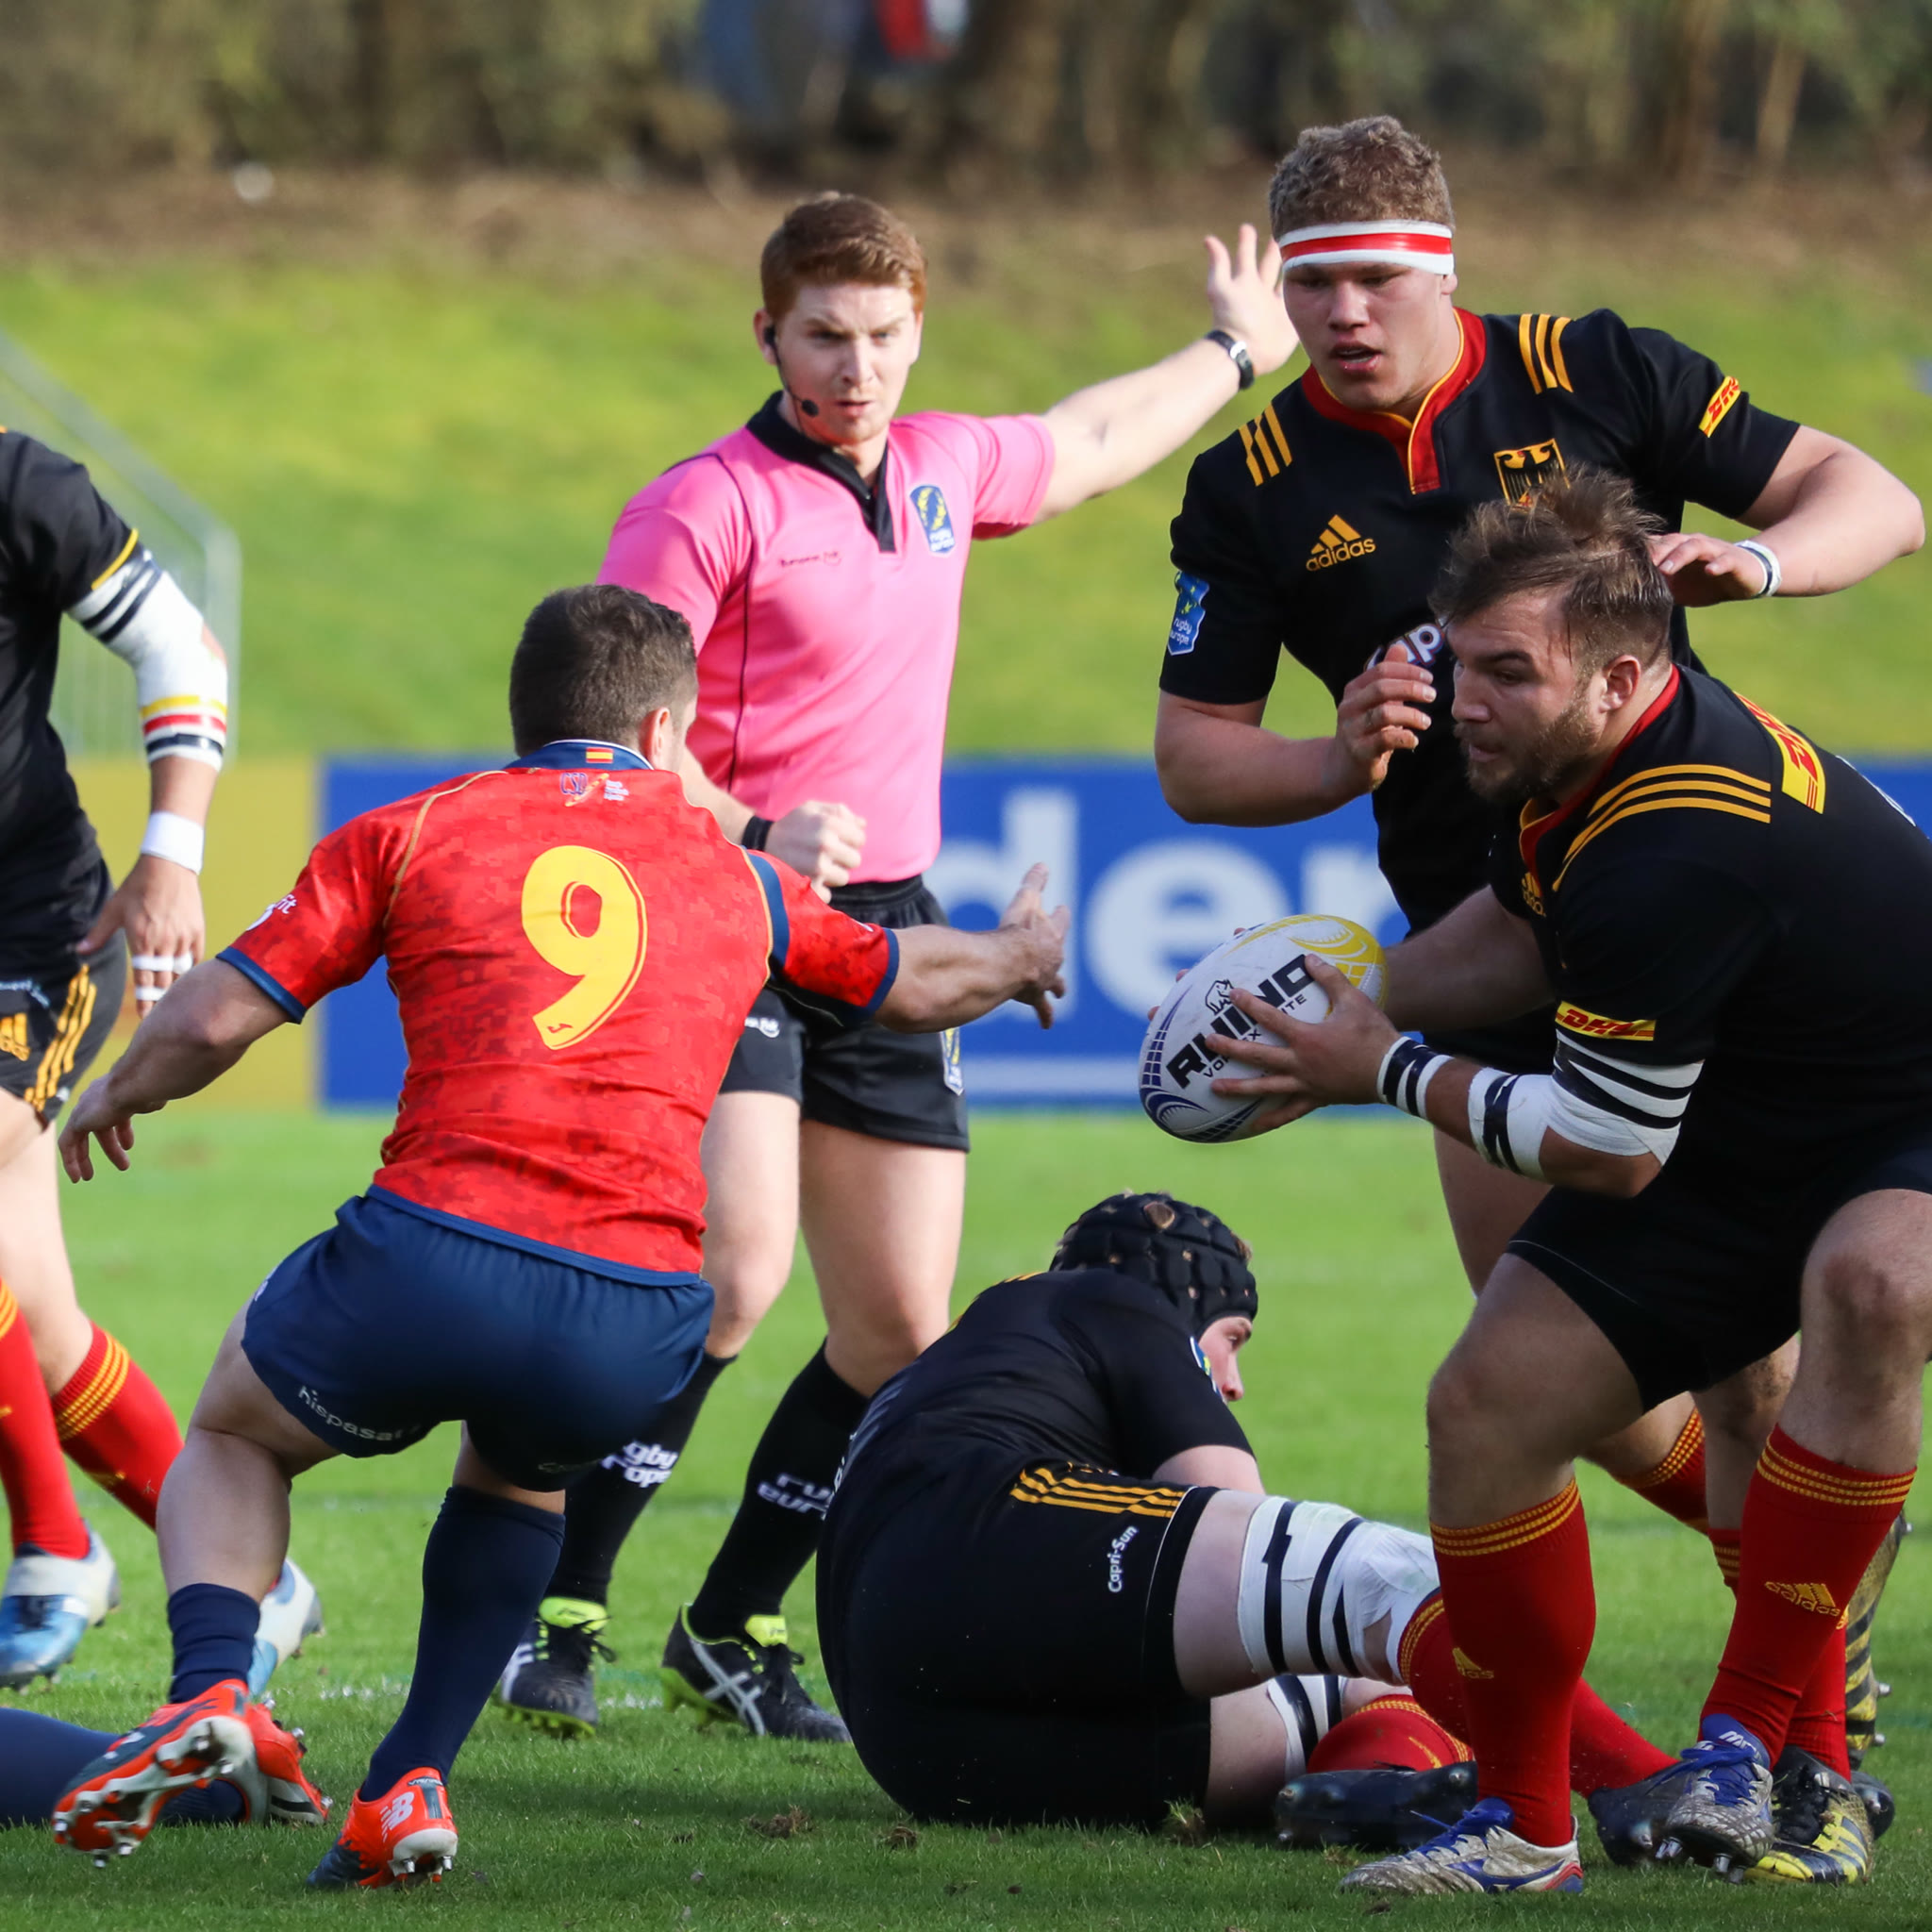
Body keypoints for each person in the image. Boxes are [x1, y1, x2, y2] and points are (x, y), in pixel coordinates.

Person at [45, 584, 1067, 1889]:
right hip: (634, 1308)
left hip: (431, 1255)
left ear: (524, 717)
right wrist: (1020, 952)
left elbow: (213, 1016)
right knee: (521, 1473)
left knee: (237, 1430)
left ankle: (208, 1690)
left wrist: (120, 1090)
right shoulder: (741, 878)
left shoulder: (411, 829)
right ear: (661, 732)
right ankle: (408, 1779)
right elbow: (909, 979)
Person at [1150, 112, 1923, 1763]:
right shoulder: (1253, 484)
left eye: (1373, 280)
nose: (1340, 314)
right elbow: (1194, 760)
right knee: (1556, 1358)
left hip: (1676, 906)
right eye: (1310, 287)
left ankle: (1790, 1701)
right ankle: (1800, 1585)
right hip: (1487, 939)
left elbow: (1877, 496)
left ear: (1443, 268)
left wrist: (1758, 560)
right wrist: (1334, 756)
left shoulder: (1594, 370)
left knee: (1744, 1361)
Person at [499, 188, 1303, 1743]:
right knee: (732, 1276)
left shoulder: (942, 468)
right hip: (728, 910)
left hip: (885, 926)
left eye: (879, 334)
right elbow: (613, 725)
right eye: (823, 335)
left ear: (917, 329)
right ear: (767, 334)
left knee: (893, 1333)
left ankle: (730, 1622)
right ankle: (561, 1609)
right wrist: (750, 825)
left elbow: (1089, 437)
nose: (854, 365)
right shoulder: (701, 506)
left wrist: (1233, 350)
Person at [1208, 473, 1928, 1892]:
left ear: (1614, 675)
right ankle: (1525, 1829)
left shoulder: (1676, 840)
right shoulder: (1577, 762)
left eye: (1505, 673)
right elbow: (1518, 932)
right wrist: (1330, 1010)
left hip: (1905, 1115)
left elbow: (1607, 1146)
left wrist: (1379, 1066)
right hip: (1753, 1119)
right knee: (1487, 1402)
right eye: (1458, 662)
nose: (1460, 703)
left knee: (1873, 1285)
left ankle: (1765, 1748)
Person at [815, 1191, 1680, 1867]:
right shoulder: (1116, 1299)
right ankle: (1651, 1784)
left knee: (1361, 1684)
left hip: (921, 1748)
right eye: (1233, 1341)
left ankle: (1379, 1787)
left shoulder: (972, 1362)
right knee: (1387, 1583)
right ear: (1185, 1303)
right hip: (973, 1552)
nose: (1232, 1383)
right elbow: (1235, 1505)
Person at [0, 428, 324, 1690]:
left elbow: (180, 645)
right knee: (36, 1317)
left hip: (30, 929)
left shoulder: (19, 485)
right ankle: (258, 1580)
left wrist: (173, 854)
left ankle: (53, 1546)